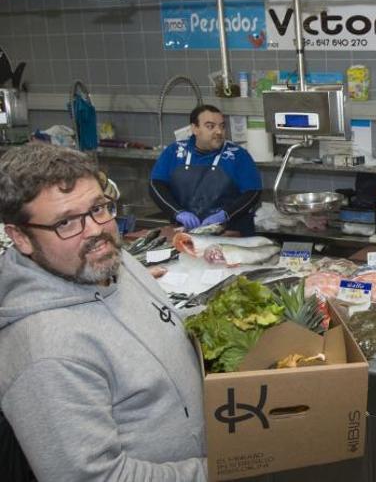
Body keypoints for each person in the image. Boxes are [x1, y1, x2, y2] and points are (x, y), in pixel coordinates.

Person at [0, 143, 207, 481]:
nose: (96, 230)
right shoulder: (45, 354)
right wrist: (216, 472)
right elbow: (97, 478)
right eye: (66, 222)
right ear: (20, 238)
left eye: (99, 207)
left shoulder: (105, 260)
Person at [150, 104, 262, 235]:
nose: (219, 131)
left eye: (222, 126)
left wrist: (225, 215)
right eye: (210, 126)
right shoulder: (174, 151)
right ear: (195, 128)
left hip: (230, 233)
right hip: (186, 233)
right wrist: (178, 212)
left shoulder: (238, 155)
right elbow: (156, 185)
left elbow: (253, 192)